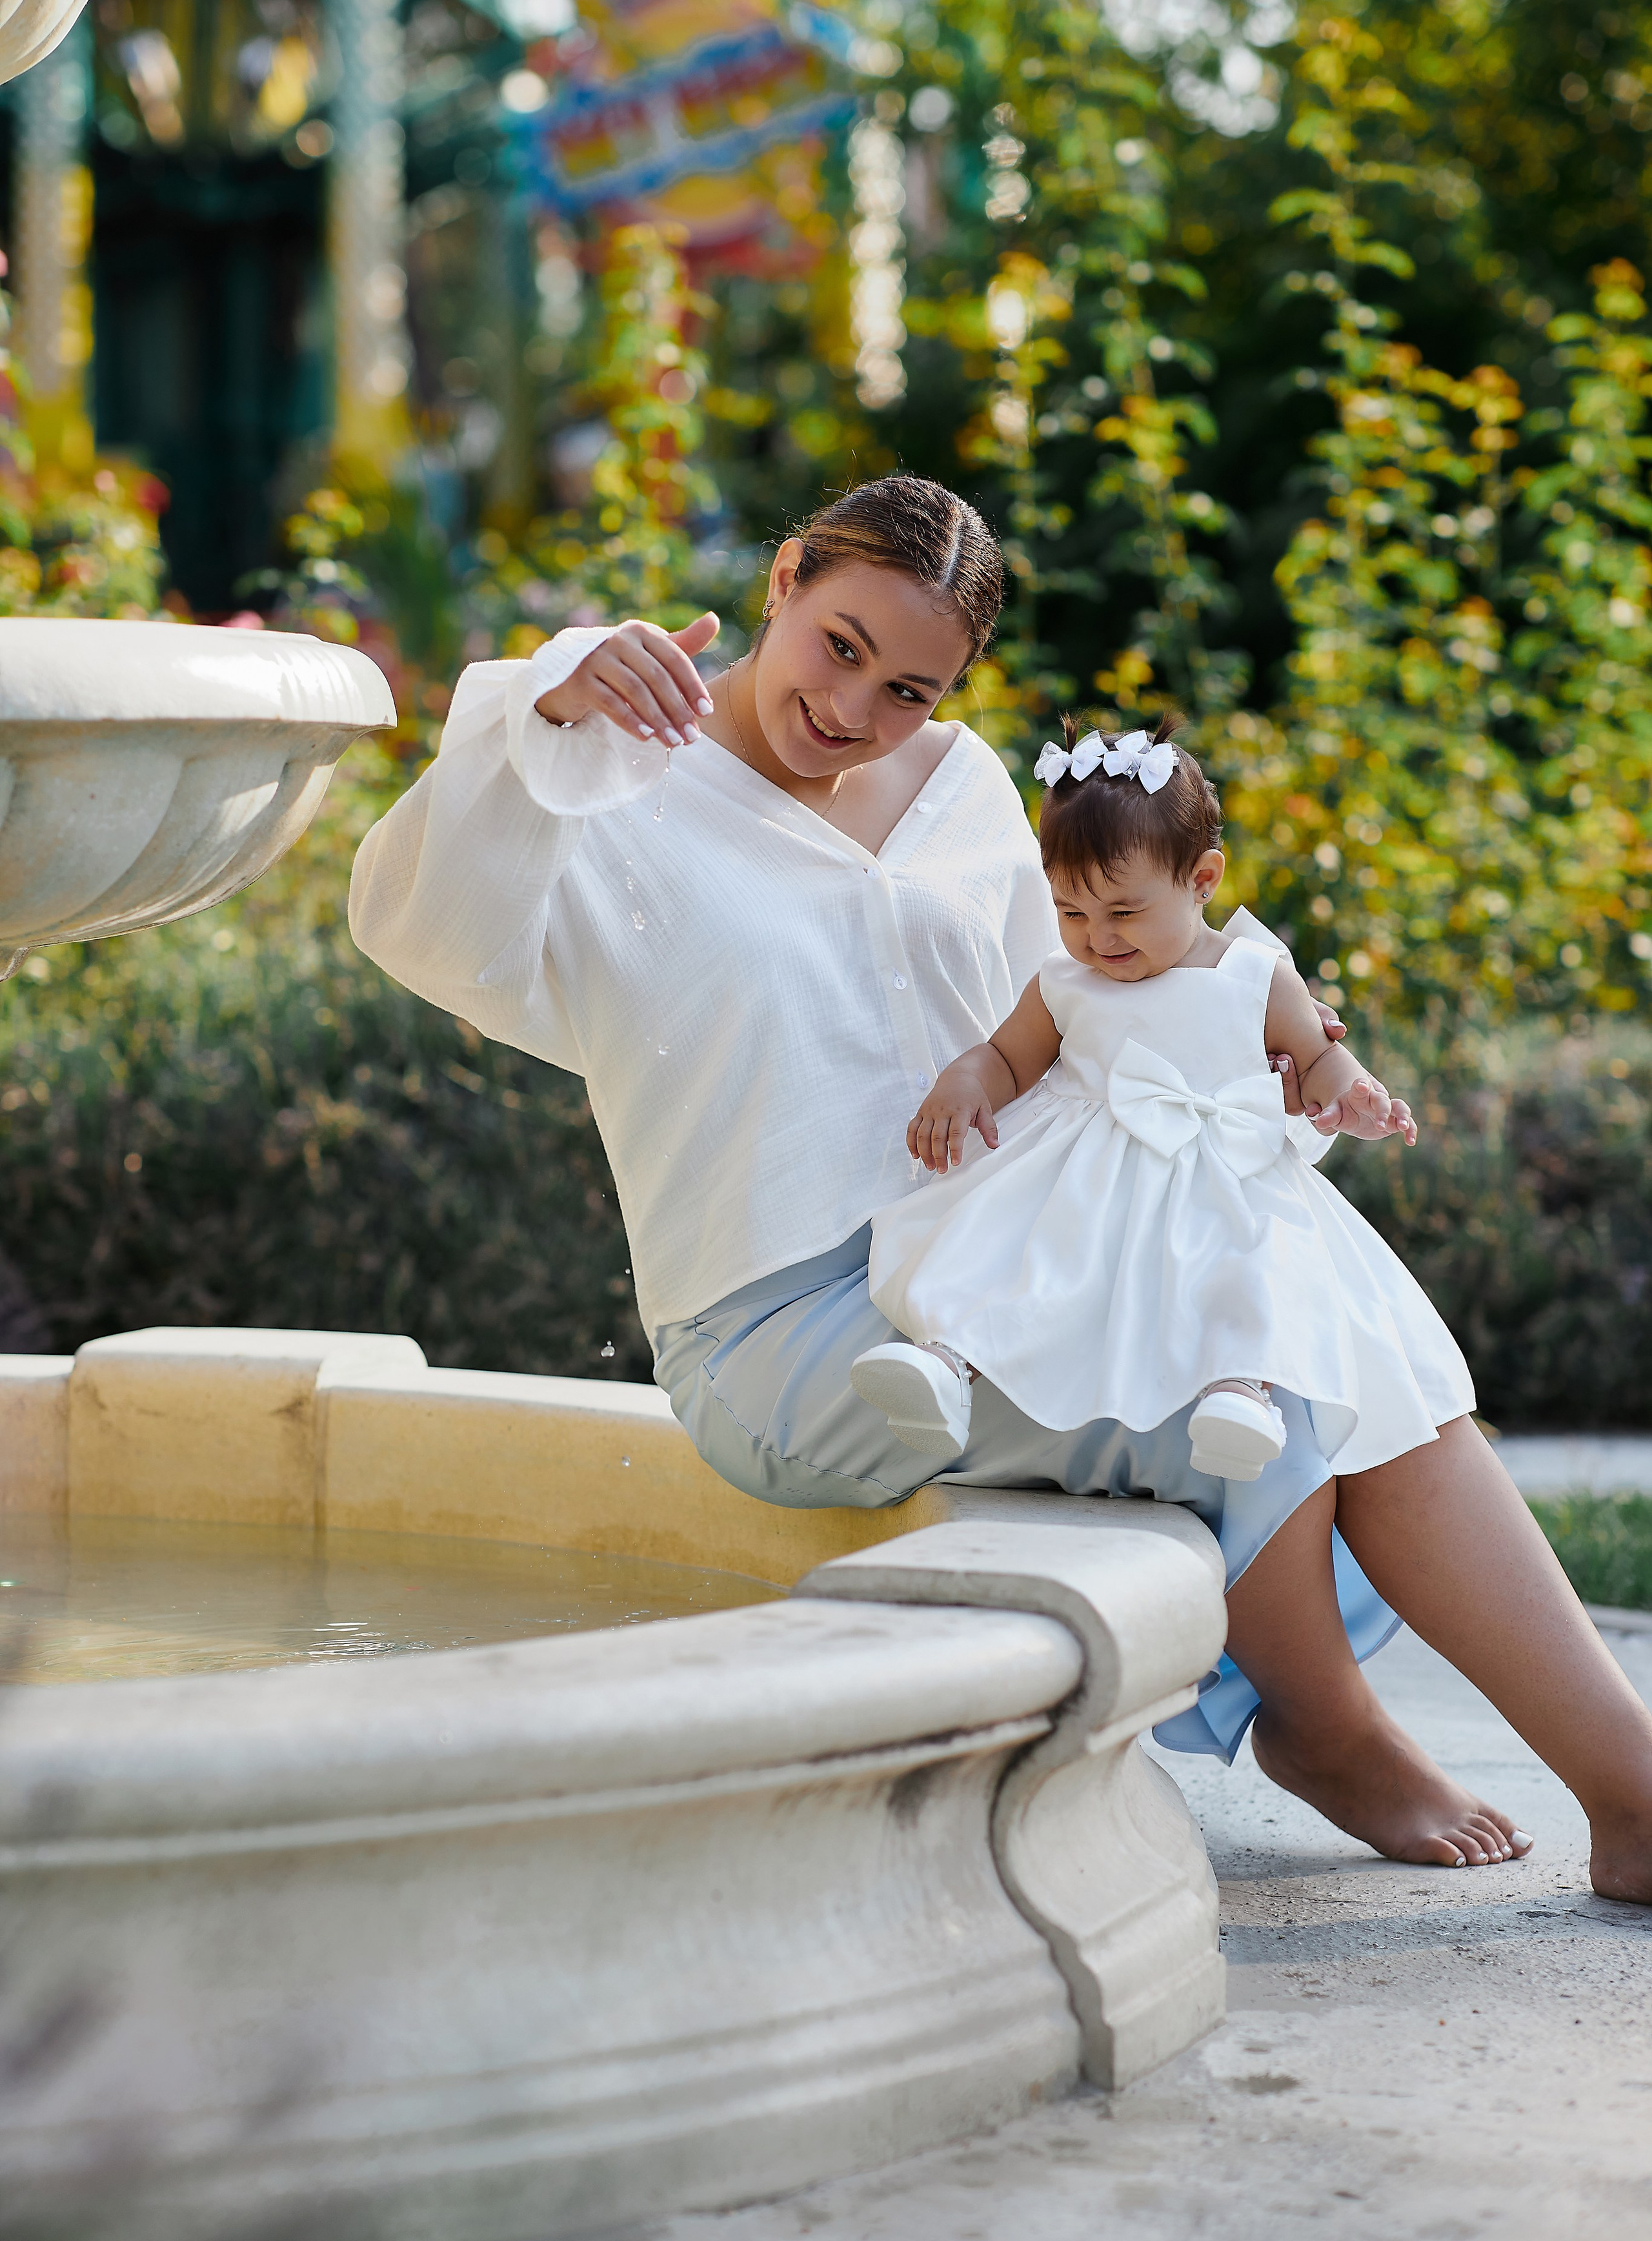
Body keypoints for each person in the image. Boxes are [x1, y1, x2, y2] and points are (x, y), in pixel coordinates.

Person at [348, 472, 1652, 1901]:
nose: (852, 711)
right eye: (836, 644)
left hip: (1014, 1244)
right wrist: (548, 708)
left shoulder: (967, 787)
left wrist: (1262, 1046)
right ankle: (1327, 1730)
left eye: (907, 685)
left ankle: (1627, 1792)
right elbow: (423, 925)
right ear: (781, 579)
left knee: (1336, 1311)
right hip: (799, 1334)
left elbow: (1091, 1017)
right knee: (1266, 1368)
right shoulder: (606, 783)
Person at [851, 718, 1462, 1496]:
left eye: (1124, 912)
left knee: (1250, 1265)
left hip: (1222, 1168)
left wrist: (1354, 1094)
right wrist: (968, 1080)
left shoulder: (1255, 975)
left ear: (1202, 880)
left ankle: (1241, 1392)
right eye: (1071, 912)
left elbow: (1315, 1060)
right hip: (1083, 1164)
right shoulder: (1063, 982)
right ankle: (946, 1362)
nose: (1097, 937)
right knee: (1023, 1250)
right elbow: (1009, 1057)